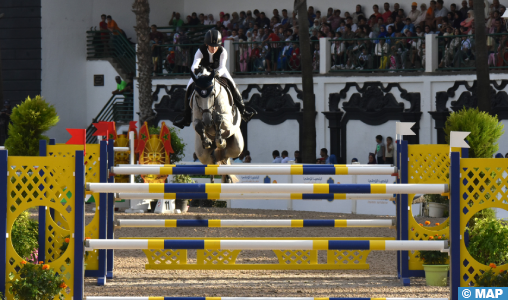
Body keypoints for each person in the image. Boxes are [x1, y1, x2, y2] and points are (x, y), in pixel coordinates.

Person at [173, 29, 256, 129]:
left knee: (232, 85)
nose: (214, 48)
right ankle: (186, 117)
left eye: (216, 46)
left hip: (219, 71)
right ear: (206, 44)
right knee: (189, 86)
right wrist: (196, 71)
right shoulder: (200, 50)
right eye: (211, 46)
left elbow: (222, 66)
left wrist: (217, 74)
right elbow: (194, 65)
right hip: (203, 72)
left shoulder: (223, 51)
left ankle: (243, 111)